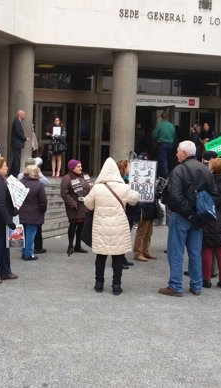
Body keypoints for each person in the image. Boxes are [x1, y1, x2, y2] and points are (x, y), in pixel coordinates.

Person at [158, 140, 218, 297]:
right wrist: (199, 214)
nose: (176, 153)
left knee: (175, 252)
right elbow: (214, 195)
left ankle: (176, 286)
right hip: (199, 218)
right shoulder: (205, 170)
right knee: (195, 252)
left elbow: (175, 196)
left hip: (182, 216)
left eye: (178, 151)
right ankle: (196, 285)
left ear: (184, 153)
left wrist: (189, 214)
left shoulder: (179, 170)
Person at [84, 158, 140, 295]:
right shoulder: (124, 187)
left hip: (101, 227)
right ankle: (116, 286)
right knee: (118, 257)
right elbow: (135, 200)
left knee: (101, 257)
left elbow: (88, 204)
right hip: (119, 227)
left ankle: (99, 284)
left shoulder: (97, 188)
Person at [201, 158, 221, 289]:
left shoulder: (207, 181)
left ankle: (206, 279)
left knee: (207, 248)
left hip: (209, 214)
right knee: (220, 248)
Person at [60, 159, 92, 256]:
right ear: (72, 168)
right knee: (73, 226)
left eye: (80, 166)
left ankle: (78, 245)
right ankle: (70, 246)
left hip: (84, 206)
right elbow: (64, 193)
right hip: (73, 207)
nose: (81, 168)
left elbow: (90, 188)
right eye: (78, 166)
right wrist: (73, 204)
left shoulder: (84, 177)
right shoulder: (67, 178)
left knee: (81, 226)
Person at [19, 164, 47, 261]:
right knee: (31, 233)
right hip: (34, 213)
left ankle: (23, 252)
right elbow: (43, 201)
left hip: (22, 212)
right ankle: (28, 253)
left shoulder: (20, 182)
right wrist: (43, 210)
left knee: (24, 233)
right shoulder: (38, 185)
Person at [152, 112, 176, 178]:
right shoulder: (171, 125)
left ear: (161, 117)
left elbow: (154, 135)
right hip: (170, 144)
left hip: (162, 144)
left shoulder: (159, 125)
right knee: (168, 159)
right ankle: (168, 174)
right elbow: (174, 136)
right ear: (167, 117)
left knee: (163, 160)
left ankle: (165, 176)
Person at [9, 110, 28, 177]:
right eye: (24, 114)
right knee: (17, 160)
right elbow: (18, 133)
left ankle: (11, 173)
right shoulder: (17, 122)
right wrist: (25, 138)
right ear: (20, 115)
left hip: (17, 144)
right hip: (16, 144)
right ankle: (15, 174)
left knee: (15, 160)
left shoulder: (17, 121)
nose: (25, 116)